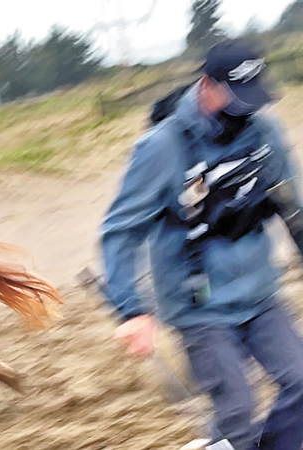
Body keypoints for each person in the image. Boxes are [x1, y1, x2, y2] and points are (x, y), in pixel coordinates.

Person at [101, 38, 303, 450]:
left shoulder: (264, 132)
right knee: (237, 411)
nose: (251, 109)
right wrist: (131, 310)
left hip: (259, 292)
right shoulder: (162, 147)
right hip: (199, 306)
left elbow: (292, 205)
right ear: (208, 86)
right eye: (239, 97)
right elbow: (121, 230)